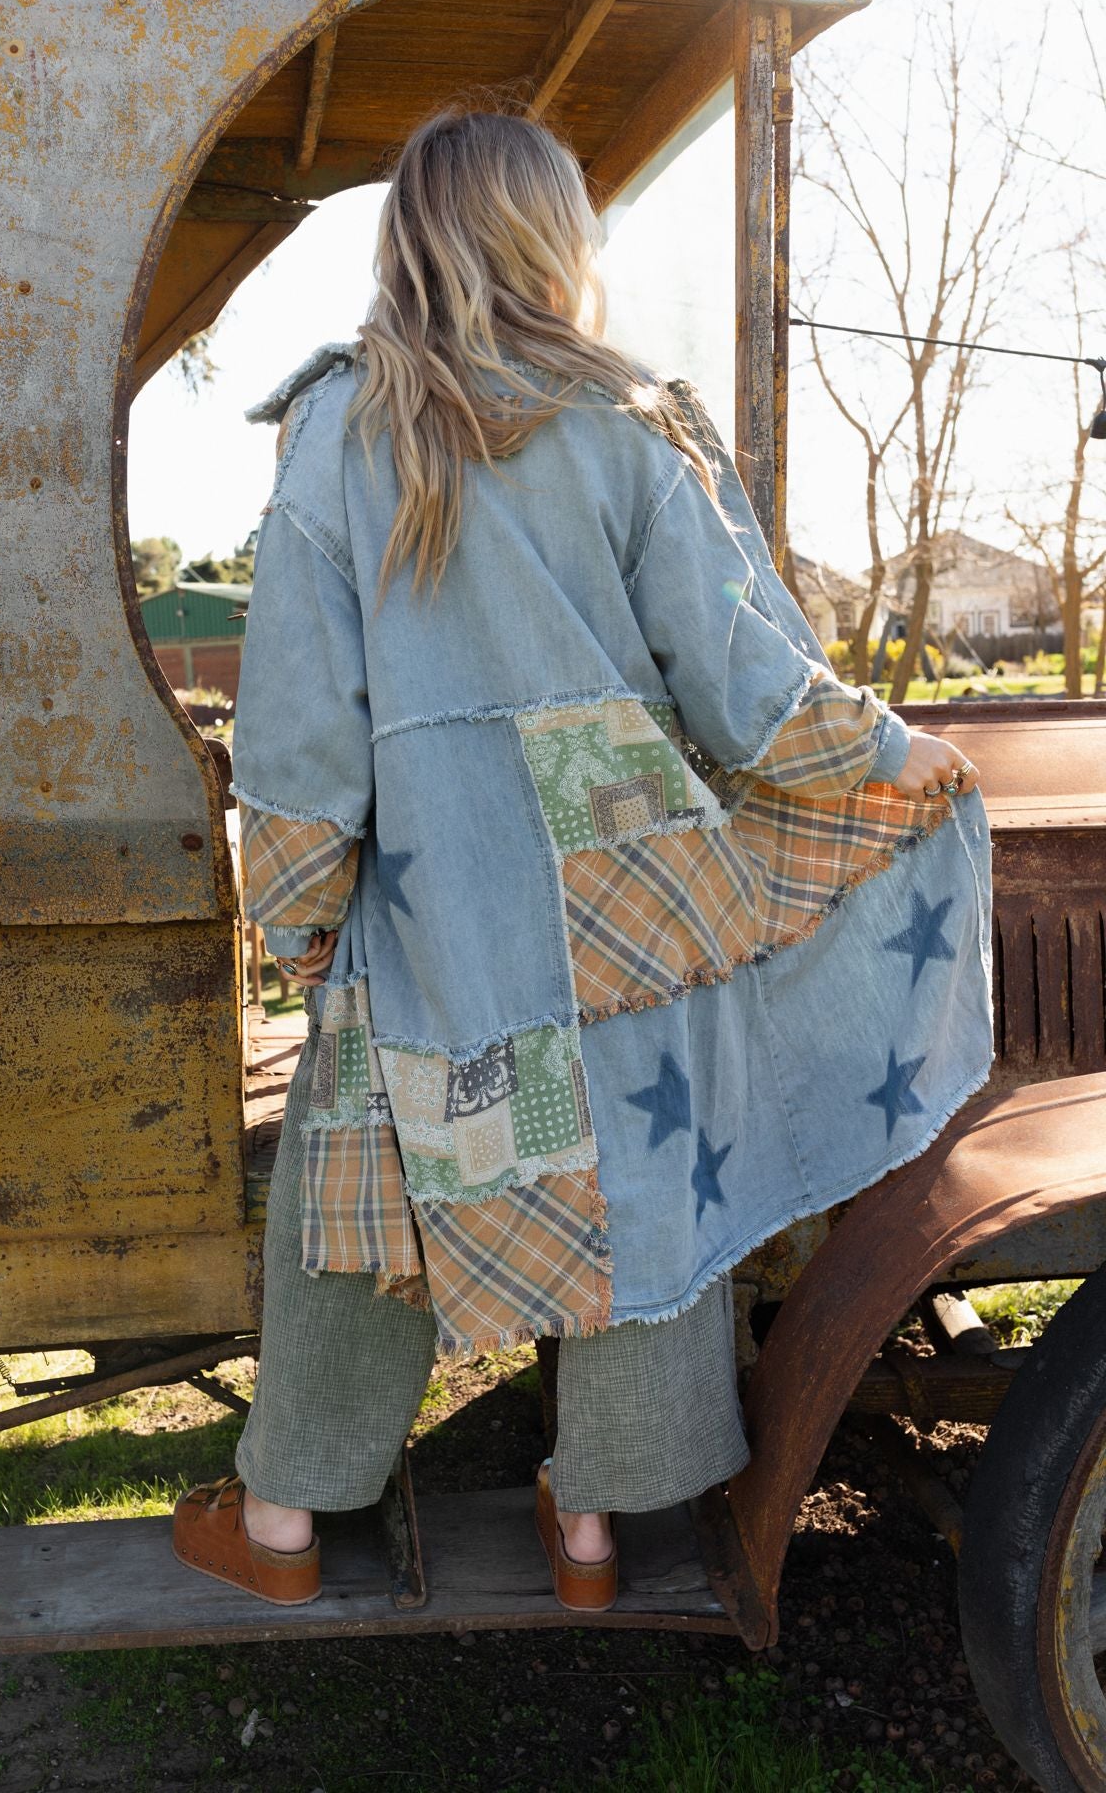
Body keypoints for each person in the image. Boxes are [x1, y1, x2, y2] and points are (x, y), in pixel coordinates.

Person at [171, 107, 993, 1613]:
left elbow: (296, 721)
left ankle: (280, 1521)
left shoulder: (341, 431)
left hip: (441, 910)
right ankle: (595, 1529)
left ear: (408, 241)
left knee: (369, 1177)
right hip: (635, 894)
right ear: (553, 239)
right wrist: (888, 753)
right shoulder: (631, 421)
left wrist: (300, 909)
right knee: (638, 1168)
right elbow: (742, 672)